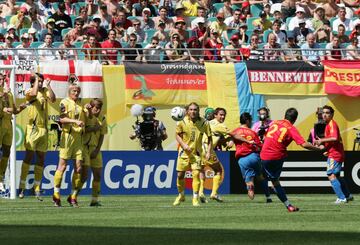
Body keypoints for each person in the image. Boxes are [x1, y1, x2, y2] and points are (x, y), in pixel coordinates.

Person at [260, 108, 323, 212]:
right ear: (295, 119)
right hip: (276, 156)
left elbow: (265, 132)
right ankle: (288, 205)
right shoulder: (291, 128)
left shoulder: (274, 123)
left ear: (285, 115)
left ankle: (283, 199)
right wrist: (319, 149)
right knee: (275, 182)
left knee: (272, 180)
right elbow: (304, 144)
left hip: (263, 155)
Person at [18, 74, 56, 200]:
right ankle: (21, 187)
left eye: (41, 81)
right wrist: (36, 83)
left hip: (43, 129)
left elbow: (53, 99)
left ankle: (37, 188)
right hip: (33, 128)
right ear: (33, 82)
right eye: (38, 81)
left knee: (41, 157)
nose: (41, 83)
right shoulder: (29, 91)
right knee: (29, 156)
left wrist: (48, 86)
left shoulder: (44, 91)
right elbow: (34, 94)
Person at [52, 84, 87, 207]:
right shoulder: (64, 102)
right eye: (74, 91)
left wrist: (87, 111)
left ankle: (73, 196)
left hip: (78, 138)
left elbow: (86, 117)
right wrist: (75, 121)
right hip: (67, 136)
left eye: (78, 91)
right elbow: (61, 119)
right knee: (62, 166)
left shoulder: (81, 104)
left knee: (79, 168)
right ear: (69, 91)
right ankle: (56, 194)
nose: (76, 93)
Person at [173, 102, 212, 207]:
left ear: (198, 111)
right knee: (180, 175)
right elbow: (177, 135)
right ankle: (181, 195)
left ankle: (195, 198)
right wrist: (183, 145)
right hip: (184, 152)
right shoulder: (182, 121)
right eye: (191, 109)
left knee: (196, 174)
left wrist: (208, 151)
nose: (193, 111)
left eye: (195, 109)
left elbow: (209, 138)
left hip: (197, 153)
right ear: (187, 111)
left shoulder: (204, 123)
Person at [314, 105, 353, 204]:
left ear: (332, 114)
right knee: (337, 176)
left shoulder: (332, 124)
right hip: (337, 153)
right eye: (323, 113)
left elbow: (335, 138)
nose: (325, 115)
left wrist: (322, 140)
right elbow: (333, 141)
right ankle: (348, 195)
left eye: (327, 113)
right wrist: (325, 148)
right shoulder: (329, 125)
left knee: (331, 175)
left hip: (335, 154)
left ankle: (341, 198)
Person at [230, 112, 272, 202]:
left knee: (249, 181)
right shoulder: (252, 132)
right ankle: (268, 197)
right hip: (253, 156)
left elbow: (230, 144)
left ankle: (251, 192)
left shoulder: (235, 131)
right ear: (247, 121)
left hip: (242, 159)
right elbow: (259, 146)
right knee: (260, 177)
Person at [199, 108, 233, 203]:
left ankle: (201, 192)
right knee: (218, 170)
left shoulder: (207, 123)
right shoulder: (219, 125)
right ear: (215, 115)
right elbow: (232, 134)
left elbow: (218, 139)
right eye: (221, 115)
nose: (222, 117)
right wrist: (231, 140)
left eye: (223, 115)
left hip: (199, 148)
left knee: (201, 169)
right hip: (207, 148)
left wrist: (226, 141)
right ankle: (213, 193)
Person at [0, 74, 27, 192]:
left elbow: (14, 110)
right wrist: (3, 96)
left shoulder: (10, 94)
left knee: (6, 152)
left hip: (8, 125)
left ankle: (0, 179)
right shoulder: (5, 93)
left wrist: (20, 109)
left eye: (2, 79)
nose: (1, 81)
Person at [80, 98, 107, 206]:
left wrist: (97, 150)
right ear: (91, 107)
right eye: (96, 108)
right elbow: (80, 130)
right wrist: (94, 128)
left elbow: (101, 135)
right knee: (84, 175)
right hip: (83, 147)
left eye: (100, 108)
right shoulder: (84, 115)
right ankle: (73, 196)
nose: (98, 110)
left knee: (98, 175)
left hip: (95, 149)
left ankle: (94, 200)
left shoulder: (103, 118)